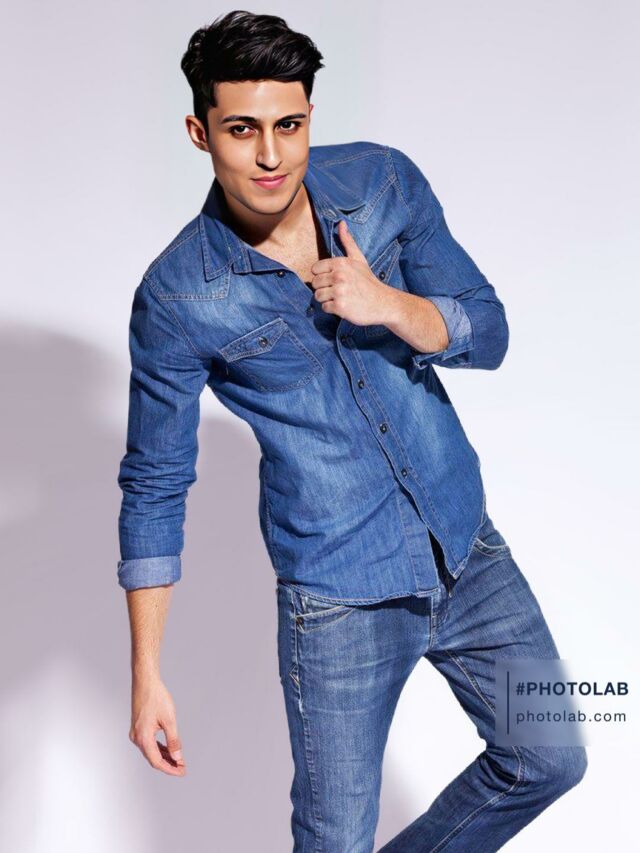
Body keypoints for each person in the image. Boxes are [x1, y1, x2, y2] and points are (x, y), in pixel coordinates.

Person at [116, 10, 588, 851]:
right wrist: (146, 673)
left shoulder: (383, 183)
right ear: (200, 132)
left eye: (289, 125)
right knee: (334, 841)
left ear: (310, 117)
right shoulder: (178, 296)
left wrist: (389, 305)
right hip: (338, 597)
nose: (271, 155)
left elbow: (489, 330)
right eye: (242, 129)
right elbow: (155, 485)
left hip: (466, 549)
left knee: (551, 756)